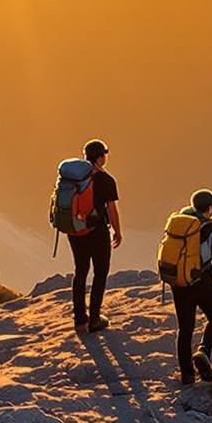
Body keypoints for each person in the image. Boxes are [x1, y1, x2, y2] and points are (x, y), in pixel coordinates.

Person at [166, 189, 212, 384]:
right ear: (210, 208)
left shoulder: (179, 222)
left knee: (185, 328)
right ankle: (203, 351)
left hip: (179, 282)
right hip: (202, 281)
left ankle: (187, 375)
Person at [67, 139, 122, 334]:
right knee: (100, 271)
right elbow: (111, 209)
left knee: (80, 270)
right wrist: (117, 230)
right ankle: (95, 319)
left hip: (75, 229)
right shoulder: (106, 180)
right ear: (100, 157)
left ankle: (80, 320)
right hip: (97, 231)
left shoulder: (73, 178)